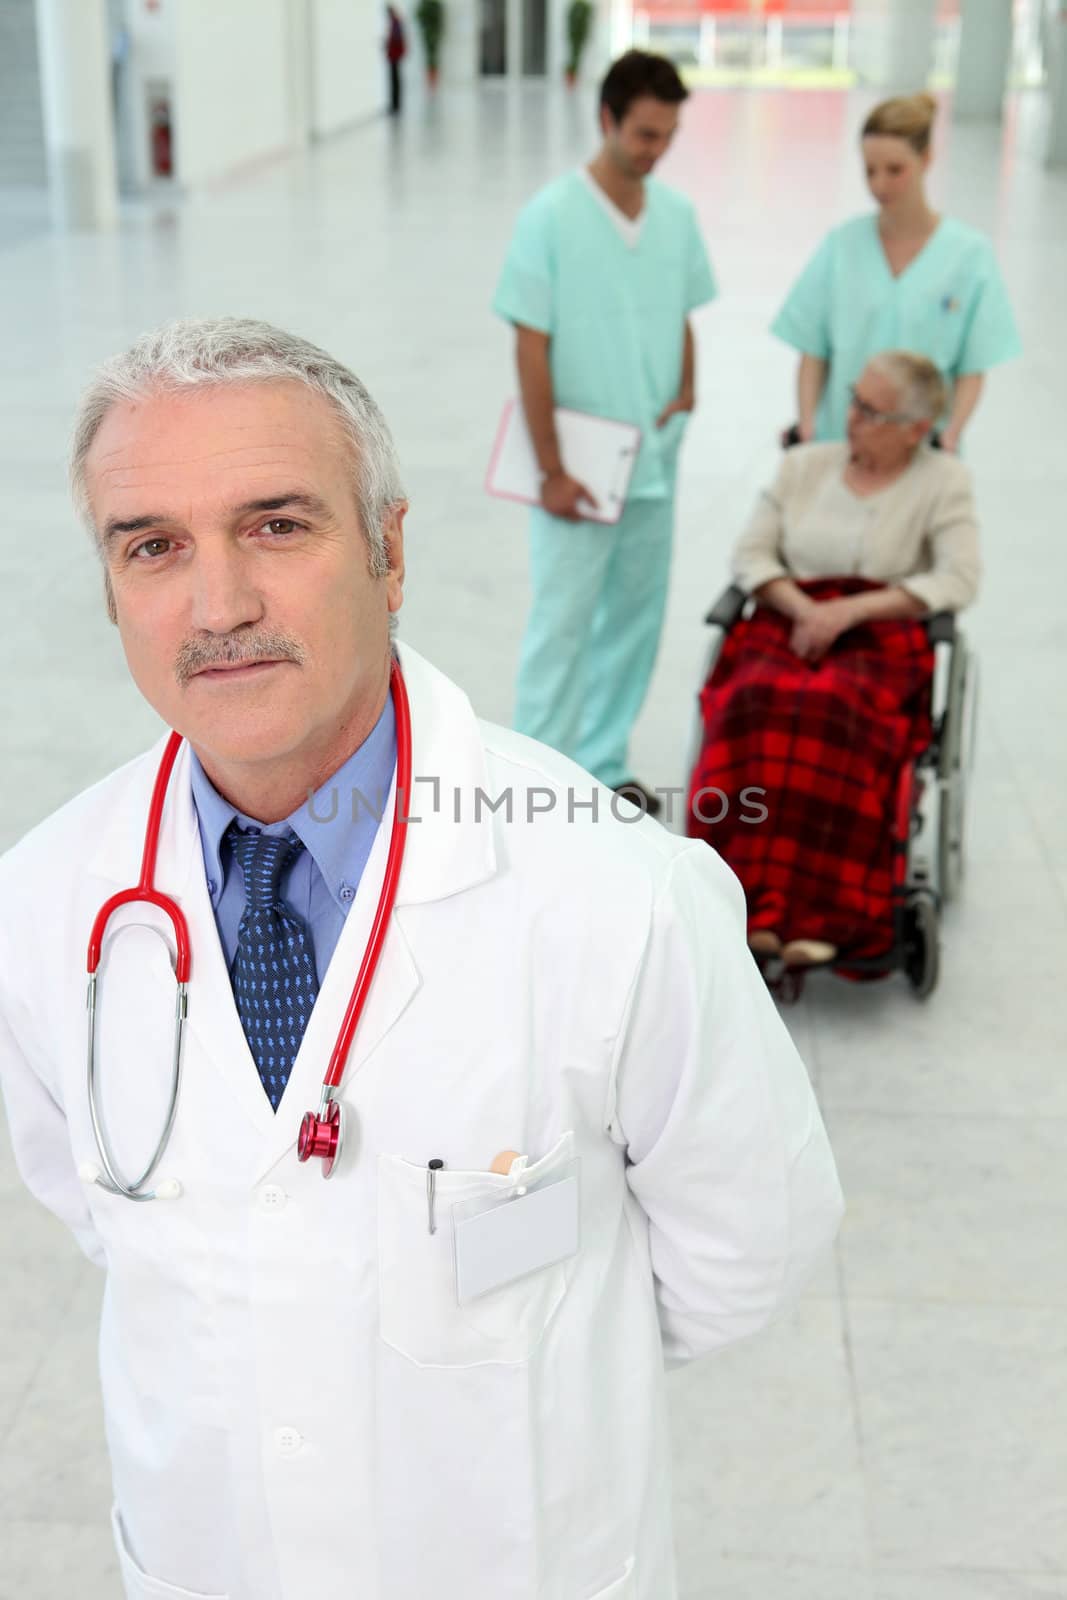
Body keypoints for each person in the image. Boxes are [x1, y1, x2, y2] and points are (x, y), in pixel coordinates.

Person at [0, 318, 842, 1600]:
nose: (217, 605)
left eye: (277, 524)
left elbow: (745, 1250)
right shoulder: (49, 900)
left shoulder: (615, 896)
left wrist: (529, 1348)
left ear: (390, 553)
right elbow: (96, 1208)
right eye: (153, 545)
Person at [687, 351, 979, 969]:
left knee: (835, 711)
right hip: (785, 616)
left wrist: (848, 613)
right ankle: (739, 901)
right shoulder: (803, 465)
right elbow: (751, 554)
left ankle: (829, 912)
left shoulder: (943, 481)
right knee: (752, 703)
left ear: (915, 429)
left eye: (873, 412)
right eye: (854, 401)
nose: (853, 418)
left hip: (880, 629)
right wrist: (802, 608)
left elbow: (959, 577)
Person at [493, 50, 717, 815]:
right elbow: (529, 344)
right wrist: (550, 467)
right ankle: (534, 775)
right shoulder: (551, 217)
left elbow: (682, 307)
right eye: (644, 133)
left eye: (668, 135)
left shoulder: (677, 216)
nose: (655, 150)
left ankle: (601, 760)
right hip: (577, 459)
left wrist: (686, 386)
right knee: (562, 622)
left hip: (652, 455)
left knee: (634, 619)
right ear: (606, 119)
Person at [772, 92, 1021, 452]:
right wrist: (809, 426)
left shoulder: (969, 255)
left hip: (923, 451)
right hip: (843, 446)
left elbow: (972, 367)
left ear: (926, 159)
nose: (879, 185)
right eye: (869, 170)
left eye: (894, 170)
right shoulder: (842, 246)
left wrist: (951, 434)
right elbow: (813, 352)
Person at [384, 5, 406, 115]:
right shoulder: (395, 22)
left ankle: (395, 106)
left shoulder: (395, 23)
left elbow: (396, 39)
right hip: (394, 55)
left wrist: (387, 44)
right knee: (395, 81)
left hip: (395, 56)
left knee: (395, 81)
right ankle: (395, 105)